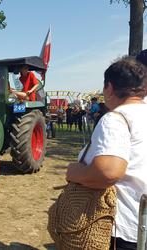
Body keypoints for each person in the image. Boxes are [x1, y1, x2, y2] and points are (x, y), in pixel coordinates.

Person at [65, 57, 147, 249]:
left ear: (109, 88)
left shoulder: (116, 119)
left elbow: (108, 172)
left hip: (124, 228)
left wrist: (74, 172)